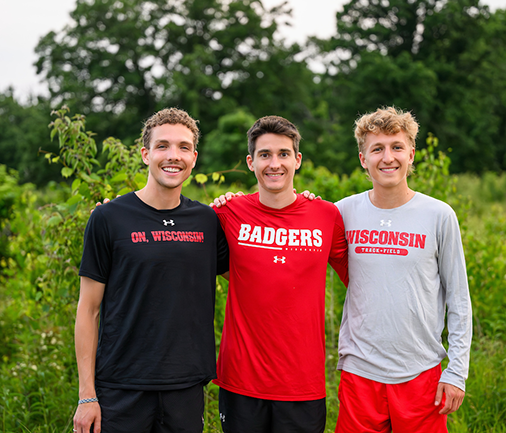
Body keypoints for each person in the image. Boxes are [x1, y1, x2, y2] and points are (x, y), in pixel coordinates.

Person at [73, 108, 229, 433]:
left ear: (194, 157)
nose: (174, 156)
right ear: (145, 154)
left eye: (184, 147)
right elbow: (88, 310)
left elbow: (255, 269)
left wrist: (299, 206)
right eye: (163, 146)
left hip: (186, 387)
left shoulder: (208, 221)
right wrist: (87, 396)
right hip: (121, 387)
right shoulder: (108, 218)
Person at [334, 107, 472, 433]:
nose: (388, 158)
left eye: (396, 147)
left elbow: (459, 300)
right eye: (377, 148)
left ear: (411, 153)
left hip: (421, 372)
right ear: (362, 158)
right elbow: (295, 233)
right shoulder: (342, 212)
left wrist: (456, 372)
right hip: (359, 371)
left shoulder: (439, 215)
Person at [211, 115, 349, 433]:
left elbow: (362, 279)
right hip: (241, 381)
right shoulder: (226, 213)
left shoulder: (326, 215)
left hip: (302, 383)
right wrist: (114, 212)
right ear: (250, 162)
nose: (275, 164)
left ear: (297, 160)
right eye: (265, 155)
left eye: (284, 154)